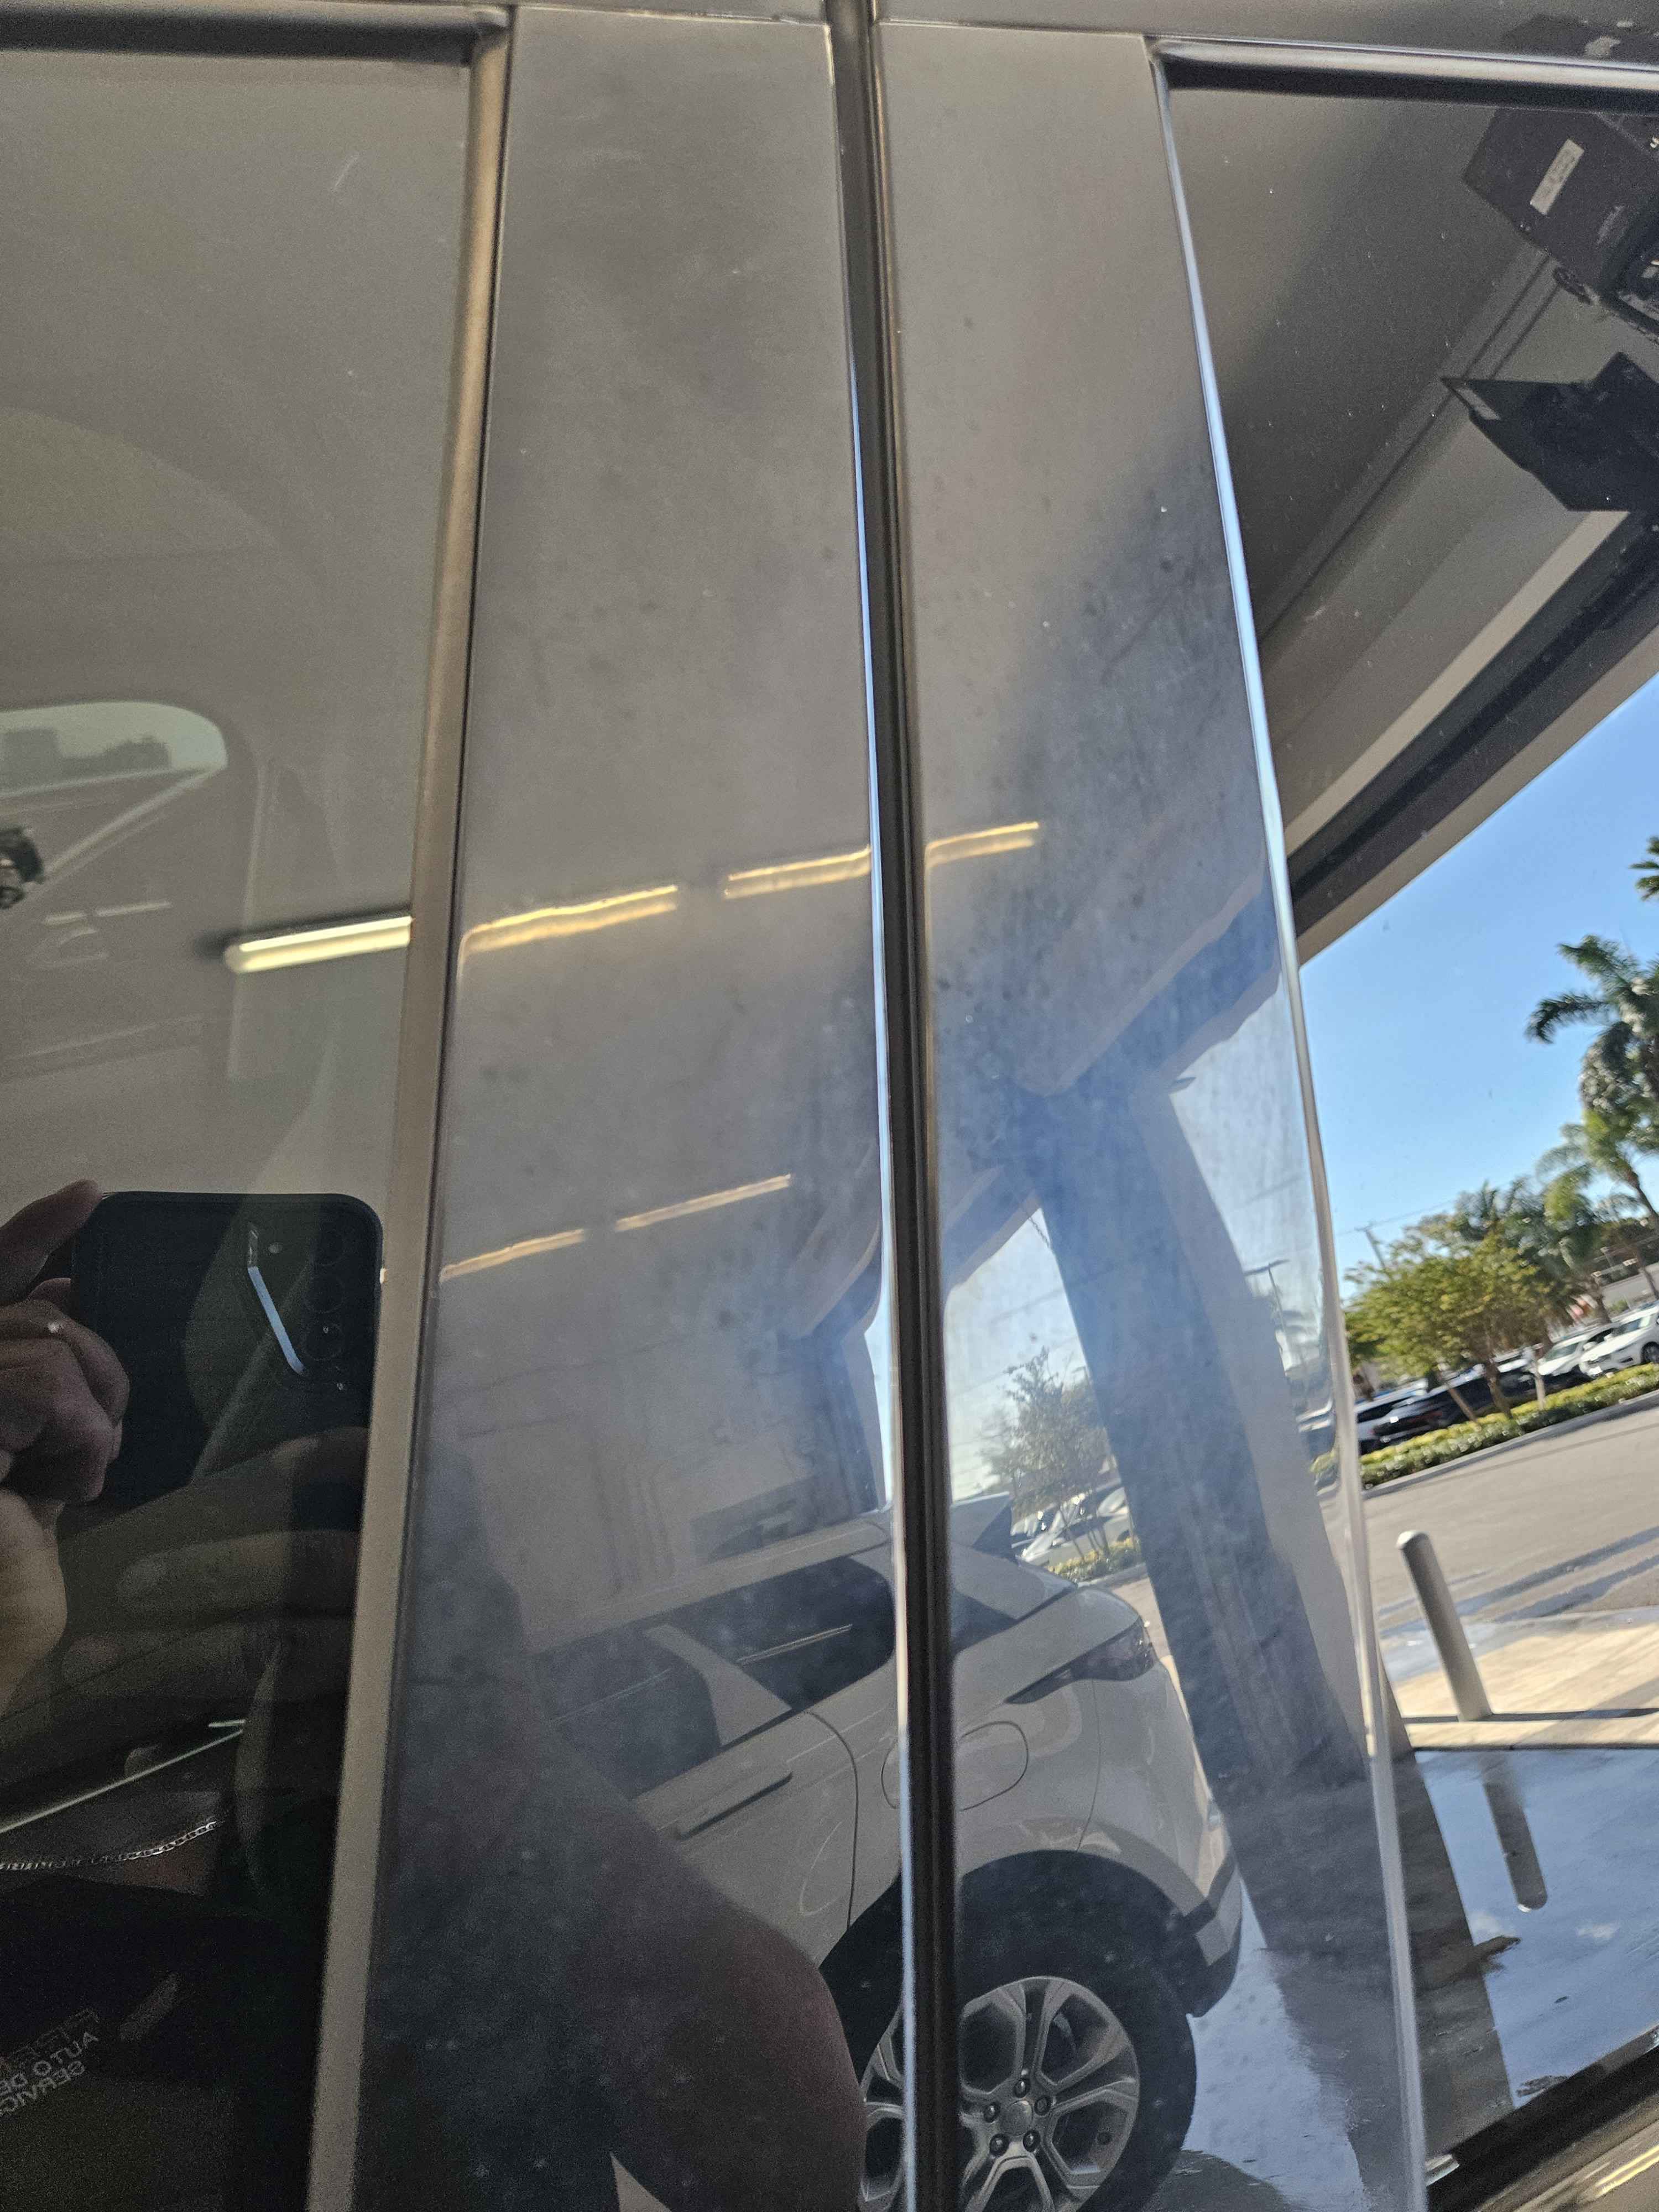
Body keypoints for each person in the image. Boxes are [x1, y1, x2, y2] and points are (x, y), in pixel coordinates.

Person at [0, 1181, 864, 2211]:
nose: (215, 1480)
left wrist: (507, 1777)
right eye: (110, 1430)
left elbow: (798, 2174)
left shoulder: (437, 1783)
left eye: (265, 1427)